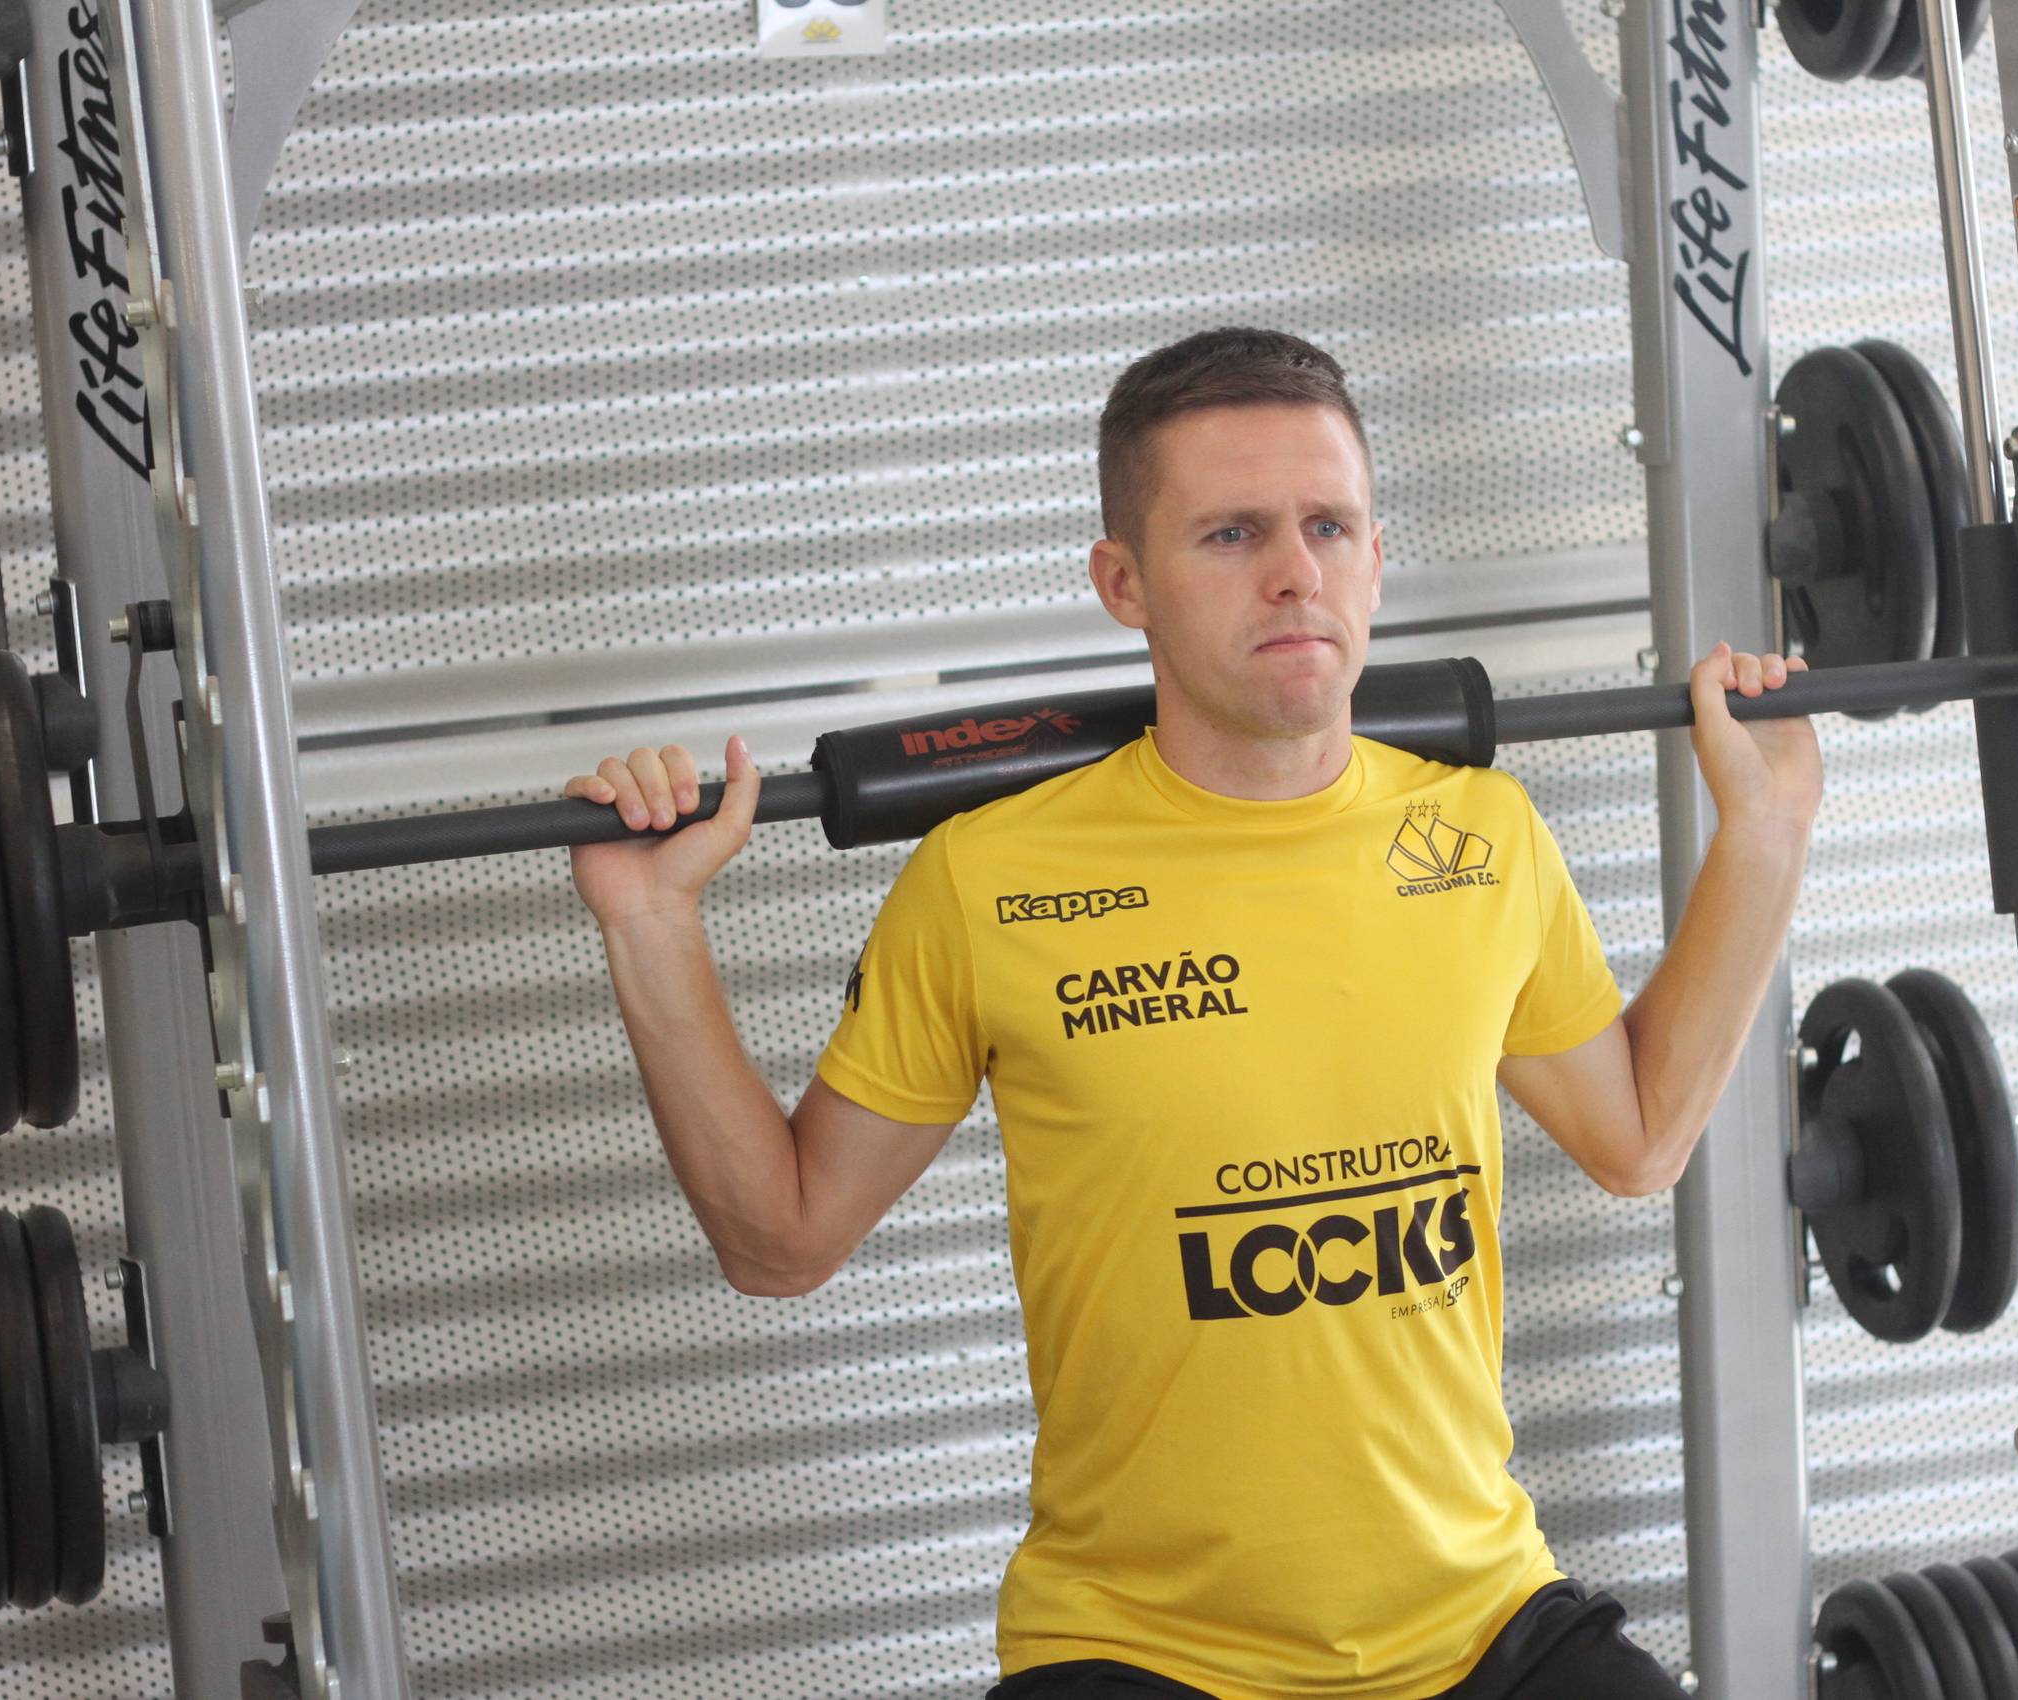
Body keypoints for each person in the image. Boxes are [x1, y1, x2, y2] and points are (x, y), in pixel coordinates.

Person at [563, 328, 1821, 1699]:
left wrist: (1762, 834)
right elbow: (781, 1239)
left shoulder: (1482, 834)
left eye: (1327, 526)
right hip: (1143, 1657)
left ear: (1375, 558)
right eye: (1228, 535)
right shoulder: (987, 881)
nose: (1295, 574)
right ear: (1124, 583)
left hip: (1479, 1630)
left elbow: (1635, 1139)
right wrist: (651, 924)